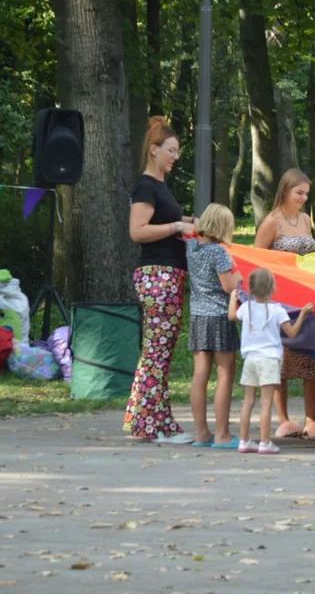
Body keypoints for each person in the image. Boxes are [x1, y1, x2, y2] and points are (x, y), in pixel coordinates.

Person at [125, 116, 198, 443]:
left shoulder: (159, 187)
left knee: (156, 352)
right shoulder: (145, 186)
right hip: (158, 275)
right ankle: (156, 427)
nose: (175, 156)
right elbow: (137, 231)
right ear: (153, 150)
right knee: (157, 352)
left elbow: (164, 218)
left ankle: (146, 422)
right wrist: (176, 228)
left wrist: (190, 221)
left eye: (177, 150)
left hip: (168, 274)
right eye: (170, 150)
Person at [253, 168, 315, 439]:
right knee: (283, 357)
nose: (303, 198)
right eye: (299, 192)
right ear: (285, 191)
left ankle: (311, 420)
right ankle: (284, 419)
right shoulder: (271, 222)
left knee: (312, 356)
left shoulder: (306, 219)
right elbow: (258, 261)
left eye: (307, 194)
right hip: (280, 299)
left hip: (307, 297)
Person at [230, 268, 314, 454]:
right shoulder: (277, 310)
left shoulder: (246, 307)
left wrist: (232, 297)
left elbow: (231, 316)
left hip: (250, 359)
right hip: (269, 360)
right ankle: (265, 442)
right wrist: (303, 314)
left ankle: (244, 441)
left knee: (248, 402)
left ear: (250, 288)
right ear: (272, 288)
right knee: (266, 403)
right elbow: (292, 333)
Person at [185, 203, 243, 448]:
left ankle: (201, 433)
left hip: (198, 316)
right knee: (225, 376)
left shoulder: (191, 247)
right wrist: (239, 277)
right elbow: (228, 287)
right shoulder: (219, 253)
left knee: (200, 375)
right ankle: (222, 435)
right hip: (219, 317)